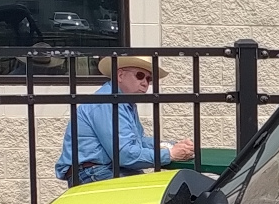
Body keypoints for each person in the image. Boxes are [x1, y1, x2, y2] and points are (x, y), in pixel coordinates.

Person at [55, 55, 195, 187]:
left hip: (103, 169)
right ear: (120, 75)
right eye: (140, 76)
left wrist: (169, 145)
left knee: (164, 190)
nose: (145, 83)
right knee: (160, 194)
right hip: (91, 172)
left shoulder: (123, 102)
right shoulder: (109, 102)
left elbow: (137, 141)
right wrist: (170, 154)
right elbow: (124, 155)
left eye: (148, 79)